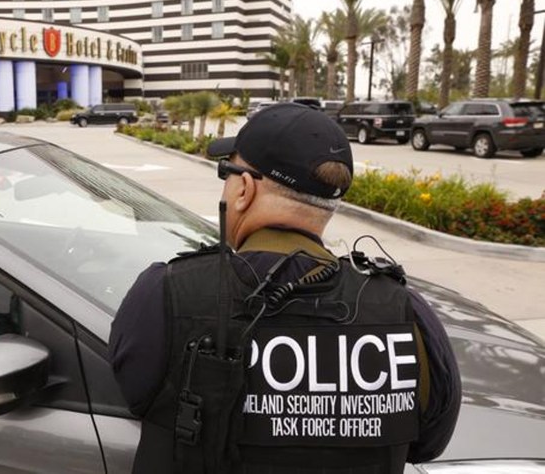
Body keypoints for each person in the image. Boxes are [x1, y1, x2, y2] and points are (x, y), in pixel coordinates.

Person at [109, 103, 461, 474]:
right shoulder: (405, 313)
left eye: (227, 173)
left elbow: (130, 394)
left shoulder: (164, 294)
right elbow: (428, 443)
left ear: (244, 189)